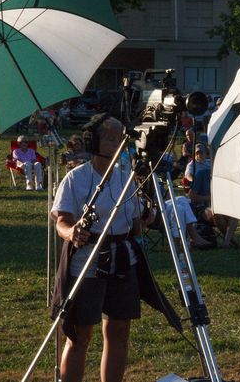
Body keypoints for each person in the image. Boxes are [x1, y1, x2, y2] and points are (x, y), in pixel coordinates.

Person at [50, 115, 179, 382]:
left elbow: (136, 225)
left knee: (119, 329)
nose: (118, 142)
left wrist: (148, 215)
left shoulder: (127, 178)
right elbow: (61, 222)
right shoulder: (77, 179)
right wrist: (72, 232)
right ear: (94, 142)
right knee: (79, 333)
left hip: (123, 261)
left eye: (121, 137)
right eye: (110, 137)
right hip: (87, 262)